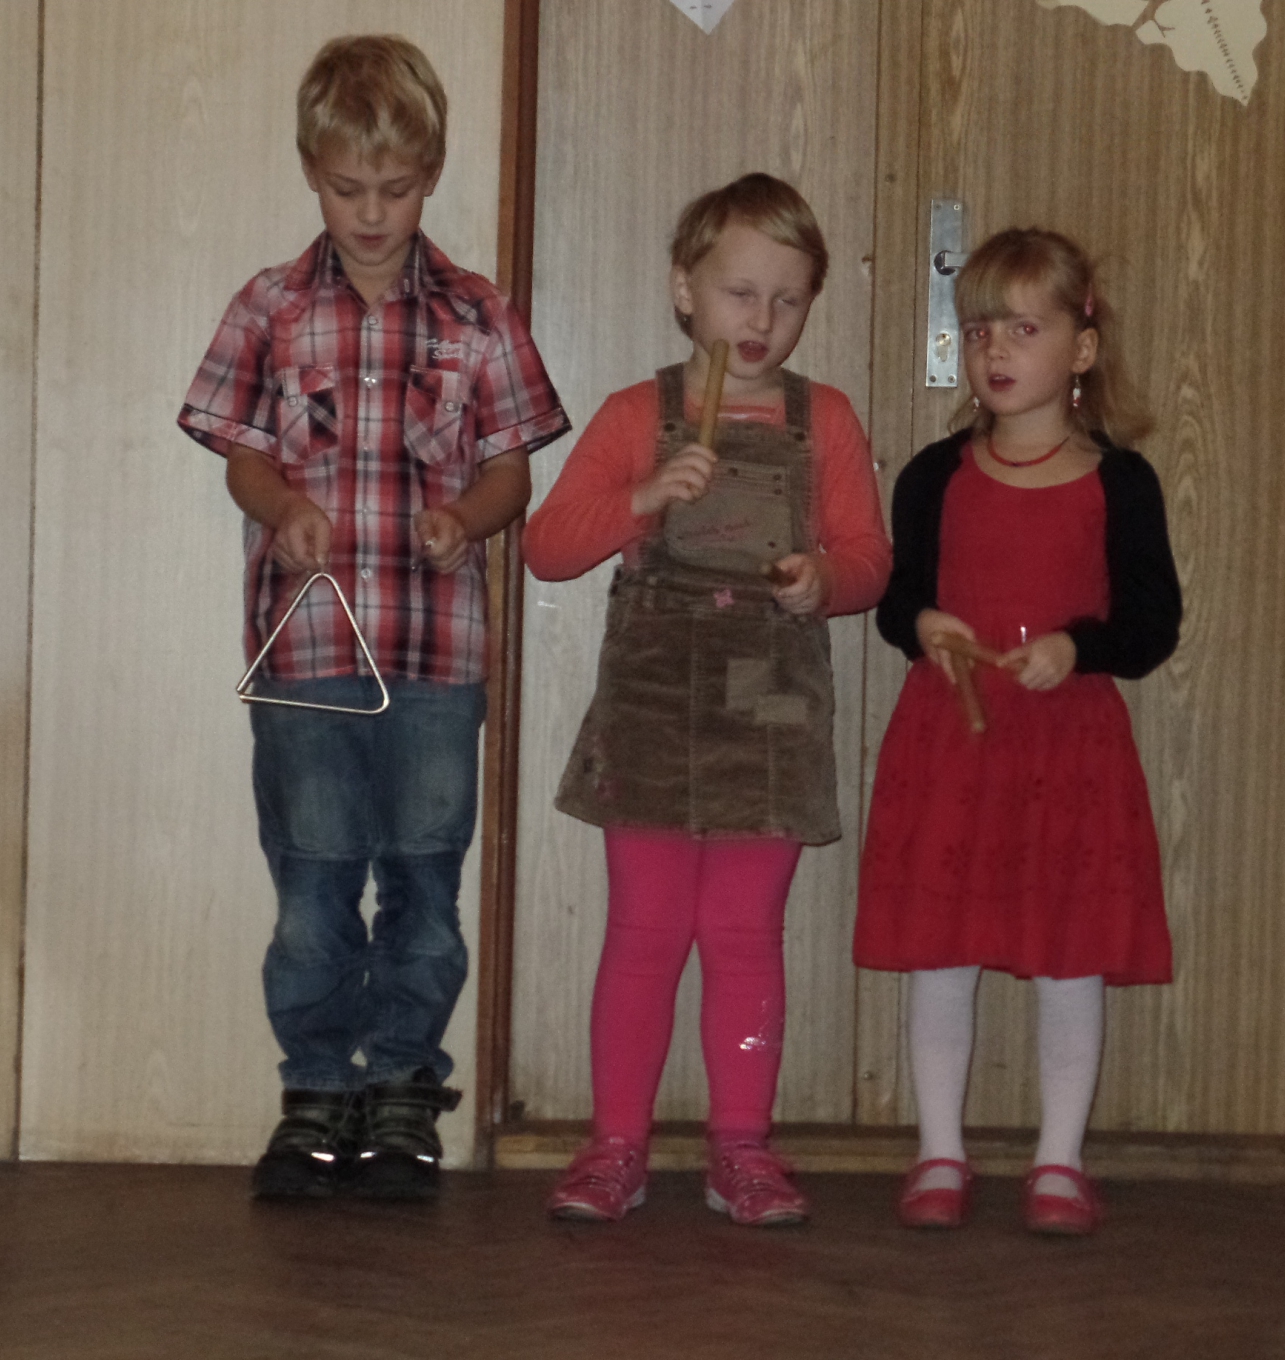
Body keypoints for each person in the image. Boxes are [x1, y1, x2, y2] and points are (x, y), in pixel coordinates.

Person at [177, 35, 569, 1203]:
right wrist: (283, 506)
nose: (371, 212)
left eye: (395, 189)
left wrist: (466, 518)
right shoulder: (269, 306)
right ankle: (314, 1089)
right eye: (348, 187)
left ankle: (401, 1085)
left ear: (431, 174)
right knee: (311, 884)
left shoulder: (480, 314)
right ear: (311, 170)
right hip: (305, 653)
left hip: (437, 660)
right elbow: (241, 458)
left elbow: (512, 472)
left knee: (424, 882)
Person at [525, 174, 891, 1225]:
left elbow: (871, 561)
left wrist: (825, 580)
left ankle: (743, 1149)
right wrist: (641, 496)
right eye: (740, 293)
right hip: (650, 701)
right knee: (643, 932)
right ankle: (615, 1148)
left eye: (788, 298)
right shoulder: (637, 414)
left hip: (769, 703)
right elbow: (548, 548)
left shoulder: (827, 421)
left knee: (742, 933)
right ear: (684, 291)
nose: (763, 319)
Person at [854, 227, 1181, 1235]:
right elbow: (896, 598)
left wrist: (1078, 647)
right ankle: (939, 1153)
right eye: (979, 329)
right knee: (941, 950)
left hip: (1068, 751)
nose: (995, 349)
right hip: (953, 744)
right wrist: (924, 624)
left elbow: (1152, 626)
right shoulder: (933, 474)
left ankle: (1059, 1162)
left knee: (1069, 953)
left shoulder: (1121, 482)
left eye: (1023, 329)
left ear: (1081, 347)